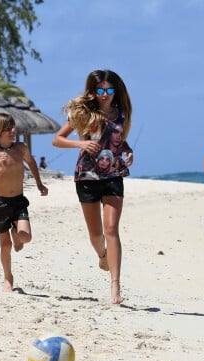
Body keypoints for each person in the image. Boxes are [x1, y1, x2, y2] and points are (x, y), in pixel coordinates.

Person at [52, 69, 133, 304]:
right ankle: (102, 255)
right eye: (101, 90)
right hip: (86, 176)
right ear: (94, 91)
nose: (105, 94)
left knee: (111, 229)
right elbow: (57, 139)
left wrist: (127, 150)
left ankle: (115, 288)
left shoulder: (121, 114)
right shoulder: (83, 113)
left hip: (114, 175)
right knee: (96, 235)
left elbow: (117, 138)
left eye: (109, 90)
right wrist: (82, 143)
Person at [0, 113, 48, 292]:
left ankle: (16, 232)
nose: (13, 131)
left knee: (26, 237)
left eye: (13, 127)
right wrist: (1, 170)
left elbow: (32, 162)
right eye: (8, 129)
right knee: (6, 245)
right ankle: (8, 278)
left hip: (18, 201)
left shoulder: (21, 147)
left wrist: (39, 183)